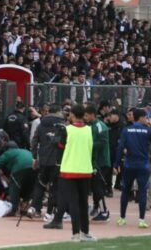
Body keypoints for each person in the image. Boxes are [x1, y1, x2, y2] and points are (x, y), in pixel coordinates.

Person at [114, 108, 151, 228]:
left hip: (129, 164)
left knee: (125, 191)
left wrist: (116, 164)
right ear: (142, 117)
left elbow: (120, 147)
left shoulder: (126, 130)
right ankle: (141, 220)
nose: (147, 119)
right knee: (142, 191)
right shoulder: (147, 130)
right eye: (146, 117)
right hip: (143, 165)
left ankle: (122, 218)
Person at [57, 104, 95, 243]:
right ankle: (85, 232)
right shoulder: (89, 130)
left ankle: (76, 233)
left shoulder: (67, 130)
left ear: (72, 115)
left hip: (69, 169)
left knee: (73, 202)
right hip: (85, 169)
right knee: (83, 202)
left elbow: (60, 146)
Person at [31, 104, 65, 222]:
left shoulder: (41, 124)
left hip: (43, 159)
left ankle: (35, 208)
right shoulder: (63, 125)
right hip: (58, 160)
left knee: (40, 183)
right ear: (58, 112)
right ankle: (51, 212)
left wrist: (35, 157)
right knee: (55, 186)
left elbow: (34, 141)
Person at [0, 143, 35, 216]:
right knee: (29, 187)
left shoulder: (9, 152)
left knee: (14, 187)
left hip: (20, 168)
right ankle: (25, 206)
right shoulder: (25, 151)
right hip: (35, 168)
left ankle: (13, 209)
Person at [85, 105, 111, 222]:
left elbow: (102, 142)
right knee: (94, 186)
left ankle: (104, 211)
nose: (85, 118)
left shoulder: (100, 126)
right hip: (92, 161)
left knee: (97, 187)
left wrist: (87, 145)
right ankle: (96, 207)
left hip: (100, 162)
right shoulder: (89, 125)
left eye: (86, 115)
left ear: (92, 115)